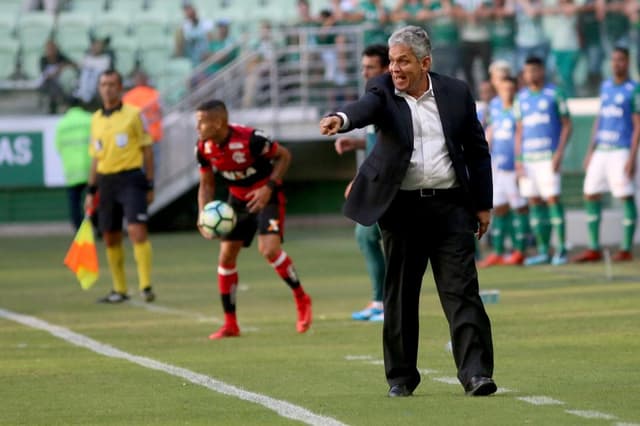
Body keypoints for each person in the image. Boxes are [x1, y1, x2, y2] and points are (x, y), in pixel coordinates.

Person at [319, 26, 496, 398]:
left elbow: (477, 152)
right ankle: (400, 377)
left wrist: (483, 205)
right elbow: (363, 109)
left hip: (450, 207)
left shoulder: (456, 93)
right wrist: (341, 118)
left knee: (462, 291)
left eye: (403, 61)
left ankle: (476, 374)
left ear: (425, 62)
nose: (395, 68)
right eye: (392, 60)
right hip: (401, 209)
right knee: (400, 295)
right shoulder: (382, 89)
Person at [194, 99, 312, 340]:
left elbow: (284, 156)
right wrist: (203, 214)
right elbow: (206, 184)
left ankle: (301, 297)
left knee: (268, 250)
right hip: (237, 201)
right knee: (226, 256)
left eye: (201, 123)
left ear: (217, 123)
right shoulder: (203, 148)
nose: (198, 128)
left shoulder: (251, 139)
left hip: (266, 196)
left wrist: (268, 187)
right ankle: (230, 324)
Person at [84, 70, 156, 304]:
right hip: (106, 181)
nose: (108, 88)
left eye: (112, 84)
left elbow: (147, 149)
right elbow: (96, 157)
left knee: (137, 230)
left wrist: (150, 183)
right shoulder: (95, 119)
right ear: (99, 88)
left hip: (131, 178)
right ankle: (119, 289)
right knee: (110, 236)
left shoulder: (134, 115)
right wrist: (91, 190)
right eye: (104, 84)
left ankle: (145, 285)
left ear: (120, 87)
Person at [334, 44, 389, 322]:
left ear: (386, 68)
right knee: (369, 236)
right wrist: (355, 142)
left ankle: (384, 302)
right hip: (377, 180)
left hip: (385, 182)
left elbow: (388, 145)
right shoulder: (375, 96)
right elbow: (375, 138)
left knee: (370, 236)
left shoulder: (388, 98)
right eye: (363, 67)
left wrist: (359, 178)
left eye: (370, 67)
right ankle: (381, 301)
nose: (365, 72)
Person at [572, 47, 639, 263]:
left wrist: (631, 157)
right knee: (591, 193)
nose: (616, 63)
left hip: (621, 150)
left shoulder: (634, 89)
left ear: (627, 62)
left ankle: (626, 248)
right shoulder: (606, 86)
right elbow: (600, 119)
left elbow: (638, 125)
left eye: (620, 59)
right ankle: (593, 248)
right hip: (601, 149)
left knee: (624, 195)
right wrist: (590, 151)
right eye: (613, 59)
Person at [514, 56, 572, 266]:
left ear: (541, 71)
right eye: (527, 71)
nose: (531, 75)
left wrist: (558, 154)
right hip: (528, 159)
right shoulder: (521, 98)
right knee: (534, 202)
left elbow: (567, 124)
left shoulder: (555, 93)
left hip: (548, 157)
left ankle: (562, 248)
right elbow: (519, 130)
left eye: (534, 71)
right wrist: (518, 159)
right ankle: (543, 250)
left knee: (553, 199)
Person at [479, 76, 530, 267]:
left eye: (510, 89)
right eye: (503, 89)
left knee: (519, 206)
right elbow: (490, 131)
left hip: (513, 165)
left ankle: (520, 250)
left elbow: (521, 134)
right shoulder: (495, 107)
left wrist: (519, 161)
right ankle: (498, 252)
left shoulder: (519, 108)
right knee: (499, 207)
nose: (507, 92)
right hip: (497, 165)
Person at [55, 96, 92, 231]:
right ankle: (99, 227)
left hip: (72, 171)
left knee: (74, 203)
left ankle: (79, 229)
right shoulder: (90, 119)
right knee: (95, 198)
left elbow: (58, 147)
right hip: (90, 168)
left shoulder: (62, 124)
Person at [174, 1, 213, 67]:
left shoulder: (206, 23)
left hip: (206, 60)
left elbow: (211, 42)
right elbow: (179, 48)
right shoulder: (184, 26)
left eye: (189, 8)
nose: (188, 11)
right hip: (193, 61)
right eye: (185, 9)